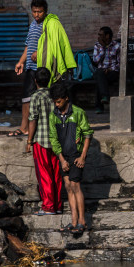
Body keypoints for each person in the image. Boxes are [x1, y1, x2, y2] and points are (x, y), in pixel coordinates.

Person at [48, 81, 92, 236]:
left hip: (76, 155)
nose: (57, 105)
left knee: (75, 186)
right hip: (63, 156)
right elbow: (53, 138)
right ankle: (73, 221)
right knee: (68, 186)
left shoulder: (78, 112)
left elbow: (87, 134)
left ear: (66, 98)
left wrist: (82, 156)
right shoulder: (53, 115)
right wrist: (61, 159)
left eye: (59, 101)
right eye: (55, 102)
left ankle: (82, 221)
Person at [26, 67, 62, 216]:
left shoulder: (35, 97)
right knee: (57, 174)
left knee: (44, 174)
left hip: (41, 140)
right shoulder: (54, 95)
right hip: (57, 139)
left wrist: (29, 140)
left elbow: (33, 120)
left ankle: (48, 206)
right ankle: (58, 205)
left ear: (35, 81)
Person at [12, 0, 49, 137]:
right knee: (27, 98)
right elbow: (28, 46)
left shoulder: (48, 24)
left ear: (45, 11)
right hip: (31, 67)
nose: (36, 14)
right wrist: (20, 61)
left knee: (42, 97)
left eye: (39, 11)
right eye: (34, 11)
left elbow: (51, 43)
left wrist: (40, 52)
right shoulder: (33, 25)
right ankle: (24, 127)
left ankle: (30, 127)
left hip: (42, 68)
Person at [91, 26, 120, 114]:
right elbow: (95, 61)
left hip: (113, 72)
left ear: (107, 36)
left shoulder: (117, 46)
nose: (98, 37)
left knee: (99, 78)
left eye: (101, 35)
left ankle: (99, 107)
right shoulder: (97, 45)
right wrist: (103, 49)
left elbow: (120, 63)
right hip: (101, 72)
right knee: (100, 74)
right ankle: (105, 97)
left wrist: (110, 69)